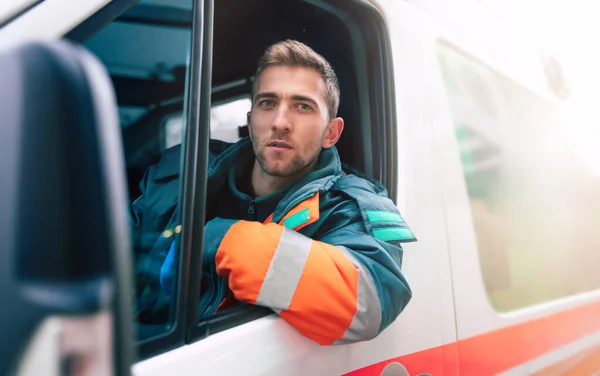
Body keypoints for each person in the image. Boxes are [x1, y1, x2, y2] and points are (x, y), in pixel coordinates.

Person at [132, 40, 416, 345]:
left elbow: (370, 302)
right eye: (268, 103)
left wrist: (224, 240)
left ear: (330, 133)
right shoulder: (178, 173)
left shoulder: (349, 207)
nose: (280, 122)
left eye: (302, 106)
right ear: (250, 120)